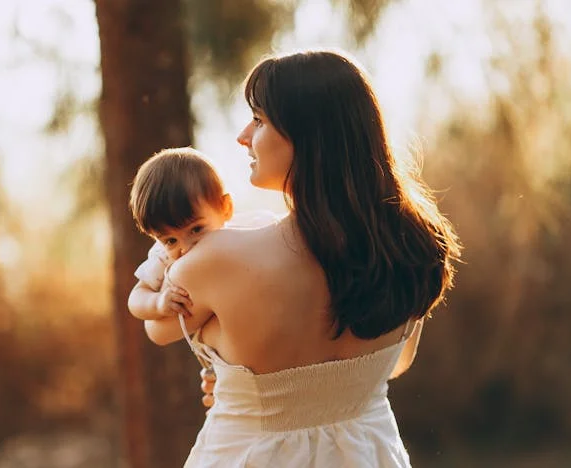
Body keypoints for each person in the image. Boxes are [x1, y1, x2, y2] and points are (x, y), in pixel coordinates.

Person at [142, 49, 461, 467]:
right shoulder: (411, 246)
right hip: (368, 452)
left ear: (308, 136)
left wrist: (235, 384)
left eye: (258, 120)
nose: (243, 136)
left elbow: (157, 329)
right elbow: (394, 364)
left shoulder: (218, 259)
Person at [127, 147, 278, 324]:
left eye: (196, 229)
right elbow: (136, 297)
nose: (187, 247)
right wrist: (158, 302)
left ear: (225, 208)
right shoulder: (163, 257)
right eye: (171, 240)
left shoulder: (245, 230)